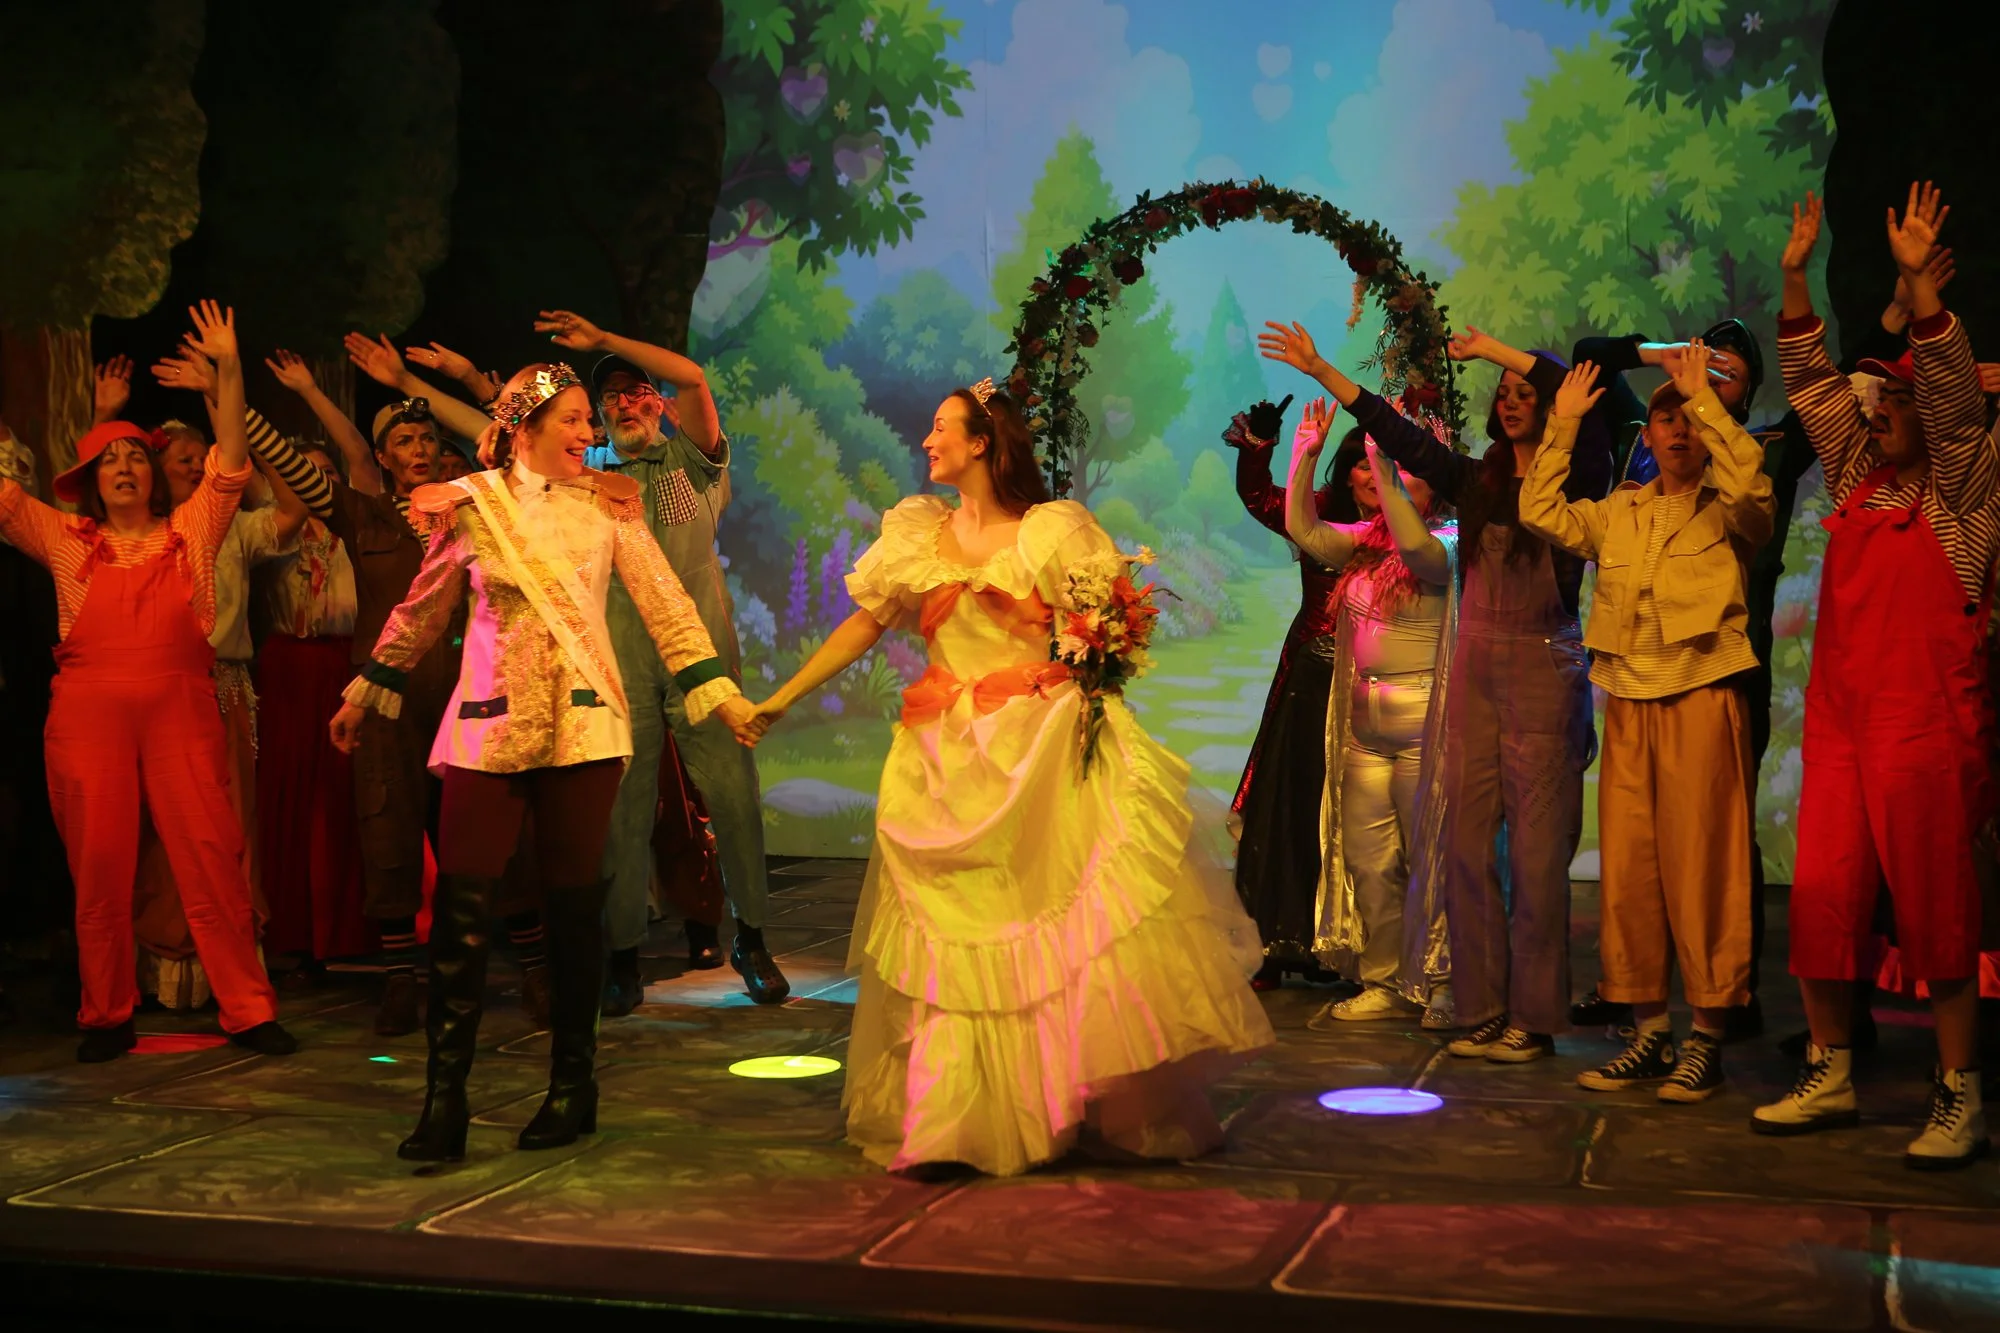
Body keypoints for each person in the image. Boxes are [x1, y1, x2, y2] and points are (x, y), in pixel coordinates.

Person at [744, 380, 1273, 1178]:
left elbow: (1100, 622)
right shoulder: (917, 533)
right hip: (943, 759)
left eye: (939, 428)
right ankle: (962, 1112)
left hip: (1034, 750)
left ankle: (1058, 1094)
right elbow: (864, 621)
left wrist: (1091, 667)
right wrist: (781, 698)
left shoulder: (1048, 532)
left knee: (1050, 924)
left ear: (982, 442)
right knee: (954, 936)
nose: (926, 442)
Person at [329, 362, 761, 1162]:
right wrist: (368, 688)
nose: (588, 434)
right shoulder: (474, 508)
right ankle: (444, 1098)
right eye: (571, 419)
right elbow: (423, 607)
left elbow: (667, 602)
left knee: (571, 913)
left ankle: (572, 1086)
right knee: (461, 913)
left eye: (587, 422)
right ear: (524, 426)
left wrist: (716, 691)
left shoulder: (610, 509)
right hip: (488, 728)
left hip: (585, 727)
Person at [1566, 253, 1950, 1043]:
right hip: (1642, 667)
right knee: (1641, 839)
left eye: (1730, 371)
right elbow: (1589, 360)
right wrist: (1665, 360)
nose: (1710, 381)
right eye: (1705, 365)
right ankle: (1644, 995)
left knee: (1717, 838)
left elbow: (1831, 394)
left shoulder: (1770, 446)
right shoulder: (1656, 437)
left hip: (1726, 660)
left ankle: (1730, 1000)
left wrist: (1888, 319)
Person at [1261, 321, 1607, 1063]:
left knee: (1538, 862)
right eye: (1504, 394)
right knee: (1464, 853)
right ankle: (1479, 1005)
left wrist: (1497, 351)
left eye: (1527, 392)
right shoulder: (1478, 483)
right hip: (1476, 681)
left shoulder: (1575, 476)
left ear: (1555, 406)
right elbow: (1397, 437)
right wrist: (1323, 368)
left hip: (1540, 673)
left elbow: (1559, 392)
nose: (1513, 400)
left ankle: (1532, 1016)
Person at [1753, 186, 1995, 1168]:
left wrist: (1916, 294)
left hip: (1925, 733)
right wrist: (1791, 278)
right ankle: (1828, 1066)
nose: (1884, 413)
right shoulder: (1857, 487)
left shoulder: (1960, 500)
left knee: (1937, 915)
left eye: (1898, 403)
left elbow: (1949, 402)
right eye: (1878, 402)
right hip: (1845, 729)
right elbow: (1814, 388)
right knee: (1819, 895)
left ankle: (1954, 1090)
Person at [0, 302, 294, 1061]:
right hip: (88, 714)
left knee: (210, 851)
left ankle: (248, 1008)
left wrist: (229, 368)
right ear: (89, 481)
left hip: (180, 708)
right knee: (98, 864)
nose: (125, 467)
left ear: (152, 473)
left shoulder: (190, 531)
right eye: (108, 460)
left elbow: (231, 457)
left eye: (134, 455)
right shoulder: (65, 539)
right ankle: (106, 1012)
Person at [247, 348, 542, 1033]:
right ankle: (401, 980)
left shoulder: (478, 510)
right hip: (387, 706)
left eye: (426, 439)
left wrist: (430, 385)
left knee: (502, 836)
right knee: (388, 832)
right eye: (403, 441)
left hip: (472, 701)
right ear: (382, 458)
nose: (419, 448)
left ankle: (535, 970)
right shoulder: (367, 517)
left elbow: (511, 439)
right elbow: (290, 468)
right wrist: (228, 390)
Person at [1521, 351, 1773, 1104]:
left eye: (1688, 418)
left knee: (1704, 868)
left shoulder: (1730, 511)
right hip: (1629, 696)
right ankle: (1650, 1031)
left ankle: (1707, 1038)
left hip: (1700, 692)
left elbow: (1756, 487)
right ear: (1648, 432)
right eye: (1666, 417)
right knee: (1631, 872)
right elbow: (1541, 511)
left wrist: (1710, 406)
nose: (1678, 430)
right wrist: (1562, 423)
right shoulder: (1621, 509)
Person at [545, 309, 786, 1008]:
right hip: (621, 658)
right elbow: (505, 441)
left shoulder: (689, 460)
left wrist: (605, 342)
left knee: (732, 795)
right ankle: (622, 953)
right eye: (610, 398)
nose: (624, 404)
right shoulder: (587, 472)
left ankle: (754, 935)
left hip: (699, 655)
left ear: (659, 402)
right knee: (621, 807)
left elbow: (693, 378)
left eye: (636, 391)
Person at [1283, 399, 1458, 1027]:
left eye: (1409, 467)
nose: (1381, 472)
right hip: (1364, 728)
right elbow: (1307, 534)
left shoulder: (1449, 539)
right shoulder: (1365, 542)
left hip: (1423, 728)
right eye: (1380, 463)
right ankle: (1385, 978)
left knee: (1430, 856)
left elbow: (1417, 555)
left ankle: (1442, 982)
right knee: (1369, 860)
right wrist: (1303, 460)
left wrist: (1386, 474)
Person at [1224, 395, 1368, 990]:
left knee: (1357, 809)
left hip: (1378, 681)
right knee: (1292, 801)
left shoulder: (1410, 525)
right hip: (1309, 671)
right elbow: (1264, 502)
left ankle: (1356, 946)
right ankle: (1280, 943)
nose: (1368, 476)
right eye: (1359, 463)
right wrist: (1263, 447)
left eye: (1379, 466)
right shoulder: (1324, 509)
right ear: (1345, 468)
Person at [253, 438, 370, 967]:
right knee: (288, 792)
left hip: (342, 669)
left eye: (324, 474)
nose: (315, 484)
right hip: (288, 669)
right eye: (302, 475)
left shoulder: (357, 530)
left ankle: (345, 934)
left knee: (343, 794)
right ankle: (291, 932)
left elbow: (363, 458)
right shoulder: (273, 528)